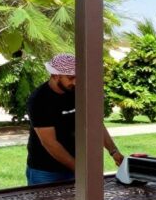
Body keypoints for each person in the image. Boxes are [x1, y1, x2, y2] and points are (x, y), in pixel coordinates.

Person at [25, 53, 126, 186]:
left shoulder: (78, 92)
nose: (76, 82)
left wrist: (113, 151)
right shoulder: (39, 100)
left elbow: (95, 124)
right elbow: (50, 142)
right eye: (71, 77)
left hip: (76, 165)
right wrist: (79, 169)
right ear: (55, 75)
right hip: (46, 171)